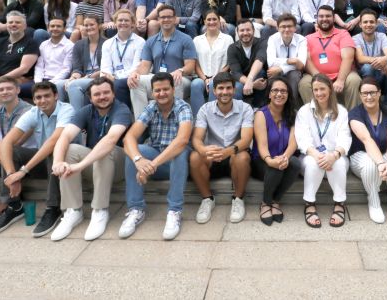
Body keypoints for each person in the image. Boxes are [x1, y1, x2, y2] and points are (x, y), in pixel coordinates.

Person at [50, 77, 133, 241]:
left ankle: (100, 210)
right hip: (95, 165)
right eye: (97, 94)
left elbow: (110, 140)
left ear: (113, 93)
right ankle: (73, 211)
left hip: (119, 165)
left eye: (106, 92)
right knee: (70, 149)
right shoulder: (86, 111)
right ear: (90, 97)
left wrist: (80, 166)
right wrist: (57, 162)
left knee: (104, 149)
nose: (102, 97)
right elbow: (65, 136)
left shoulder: (121, 110)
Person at [0, 80, 74, 237]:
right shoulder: (32, 112)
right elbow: (6, 142)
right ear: (34, 100)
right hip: (41, 161)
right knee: (11, 151)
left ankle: (53, 208)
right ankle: (14, 205)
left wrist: (23, 171)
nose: (42, 101)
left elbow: (53, 141)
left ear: (56, 96)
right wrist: (11, 175)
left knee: (54, 150)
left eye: (47, 96)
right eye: (38, 97)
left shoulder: (66, 109)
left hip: (64, 161)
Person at [121, 72, 193, 240]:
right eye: (157, 90)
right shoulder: (151, 107)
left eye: (165, 89)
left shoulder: (183, 107)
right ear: (152, 92)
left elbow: (182, 141)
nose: (161, 94)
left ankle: (174, 211)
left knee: (179, 152)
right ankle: (136, 209)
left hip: (177, 164)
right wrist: (139, 161)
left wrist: (152, 165)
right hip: (156, 159)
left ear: (173, 89)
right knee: (135, 150)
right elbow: (129, 138)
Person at [190, 72, 253, 225]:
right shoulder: (205, 109)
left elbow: (246, 140)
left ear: (234, 90)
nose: (225, 92)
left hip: (233, 155)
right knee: (195, 156)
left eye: (228, 88)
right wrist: (203, 150)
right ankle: (207, 199)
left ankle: (238, 199)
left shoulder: (245, 108)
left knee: (243, 157)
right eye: (221, 88)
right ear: (214, 91)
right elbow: (197, 139)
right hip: (212, 155)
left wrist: (227, 152)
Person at [348, 77, 387, 223]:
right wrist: (382, 163)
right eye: (364, 93)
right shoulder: (355, 113)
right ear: (360, 95)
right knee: (371, 165)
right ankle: (374, 202)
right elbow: (366, 139)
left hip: (385, 151)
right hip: (360, 154)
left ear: (379, 93)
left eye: (372, 92)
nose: (369, 97)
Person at [295, 74, 352, 227]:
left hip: (336, 155)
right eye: (315, 90)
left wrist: (334, 155)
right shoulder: (304, 111)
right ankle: (309, 203)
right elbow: (302, 139)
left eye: (322, 89)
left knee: (339, 164)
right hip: (310, 155)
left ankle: (339, 203)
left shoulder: (341, 111)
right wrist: (318, 155)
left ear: (330, 89)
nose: (319, 93)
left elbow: (345, 138)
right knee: (314, 164)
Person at [128, 4, 197, 114]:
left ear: (175, 19)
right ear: (158, 20)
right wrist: (135, 74)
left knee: (175, 79)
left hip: (181, 79)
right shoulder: (151, 41)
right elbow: (145, 66)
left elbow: (190, 66)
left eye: (169, 17)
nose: (166, 20)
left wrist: (180, 70)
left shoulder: (186, 39)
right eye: (163, 17)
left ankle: (176, 120)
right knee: (136, 82)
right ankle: (142, 123)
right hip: (158, 78)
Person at [251, 76, 300, 225]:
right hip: (262, 161)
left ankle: (274, 200)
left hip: (282, 158)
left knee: (295, 163)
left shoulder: (293, 113)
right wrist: (270, 160)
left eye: (283, 91)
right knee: (276, 167)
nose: (279, 94)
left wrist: (284, 157)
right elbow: (262, 145)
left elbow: (293, 142)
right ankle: (266, 203)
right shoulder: (261, 114)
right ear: (269, 94)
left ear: (288, 94)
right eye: (275, 90)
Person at [298, 5, 361, 109]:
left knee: (354, 80)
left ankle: (352, 118)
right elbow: (307, 60)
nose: (324, 19)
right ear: (316, 18)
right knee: (304, 83)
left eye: (328, 16)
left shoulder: (343, 34)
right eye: (321, 16)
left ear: (333, 18)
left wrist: (340, 80)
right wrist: (320, 79)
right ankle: (316, 116)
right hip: (317, 76)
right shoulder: (308, 38)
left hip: (341, 76)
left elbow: (348, 58)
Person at [191, 9, 234, 113]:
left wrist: (215, 78)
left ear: (219, 21)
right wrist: (205, 79)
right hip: (201, 77)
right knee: (195, 84)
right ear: (204, 22)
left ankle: (213, 116)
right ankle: (198, 119)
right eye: (208, 19)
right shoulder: (196, 40)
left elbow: (229, 63)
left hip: (221, 77)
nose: (211, 22)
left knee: (212, 84)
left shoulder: (228, 39)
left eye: (214, 19)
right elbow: (195, 63)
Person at [354, 9, 387, 107]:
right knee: (367, 67)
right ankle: (369, 103)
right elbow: (361, 59)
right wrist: (381, 61)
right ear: (360, 25)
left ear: (376, 24)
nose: (368, 24)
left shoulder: (382, 36)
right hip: (366, 75)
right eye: (365, 22)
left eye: (371, 22)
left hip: (382, 75)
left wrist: (385, 60)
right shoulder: (356, 38)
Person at [32, 18, 75, 96]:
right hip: (41, 80)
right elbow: (39, 66)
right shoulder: (43, 44)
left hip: (58, 82)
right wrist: (38, 82)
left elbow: (66, 69)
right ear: (48, 28)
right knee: (19, 89)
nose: (55, 28)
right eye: (52, 26)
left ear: (65, 29)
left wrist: (50, 83)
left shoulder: (70, 46)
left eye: (58, 26)